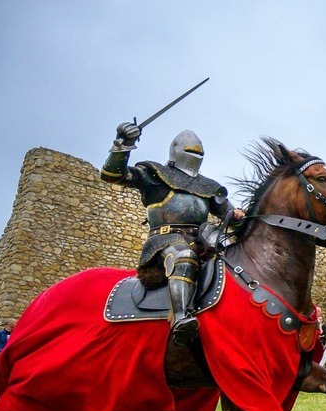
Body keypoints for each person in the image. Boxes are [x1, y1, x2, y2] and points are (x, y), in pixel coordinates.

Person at [100, 124, 244, 344]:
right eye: (191, 150)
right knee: (183, 256)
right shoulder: (156, 175)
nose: (195, 154)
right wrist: (123, 143)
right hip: (165, 241)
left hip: (204, 244)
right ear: (175, 149)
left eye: (198, 152)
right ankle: (180, 318)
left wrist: (236, 216)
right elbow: (113, 174)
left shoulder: (209, 186)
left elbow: (230, 216)